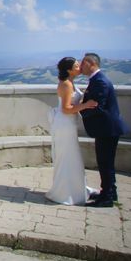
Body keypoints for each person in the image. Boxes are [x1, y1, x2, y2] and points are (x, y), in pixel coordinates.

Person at [46, 57, 98, 205]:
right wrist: (86, 105)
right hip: (65, 124)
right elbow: (66, 109)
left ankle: (74, 189)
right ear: (69, 70)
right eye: (76, 66)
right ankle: (64, 193)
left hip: (68, 124)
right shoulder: (66, 85)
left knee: (71, 158)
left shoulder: (70, 83)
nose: (80, 67)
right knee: (68, 158)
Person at [80, 53, 130, 207]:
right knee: (106, 162)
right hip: (106, 129)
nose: (81, 67)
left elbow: (98, 107)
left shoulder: (100, 81)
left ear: (90, 63)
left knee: (105, 163)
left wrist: (80, 110)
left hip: (107, 129)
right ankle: (110, 192)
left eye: (83, 63)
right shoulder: (97, 79)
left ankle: (107, 198)